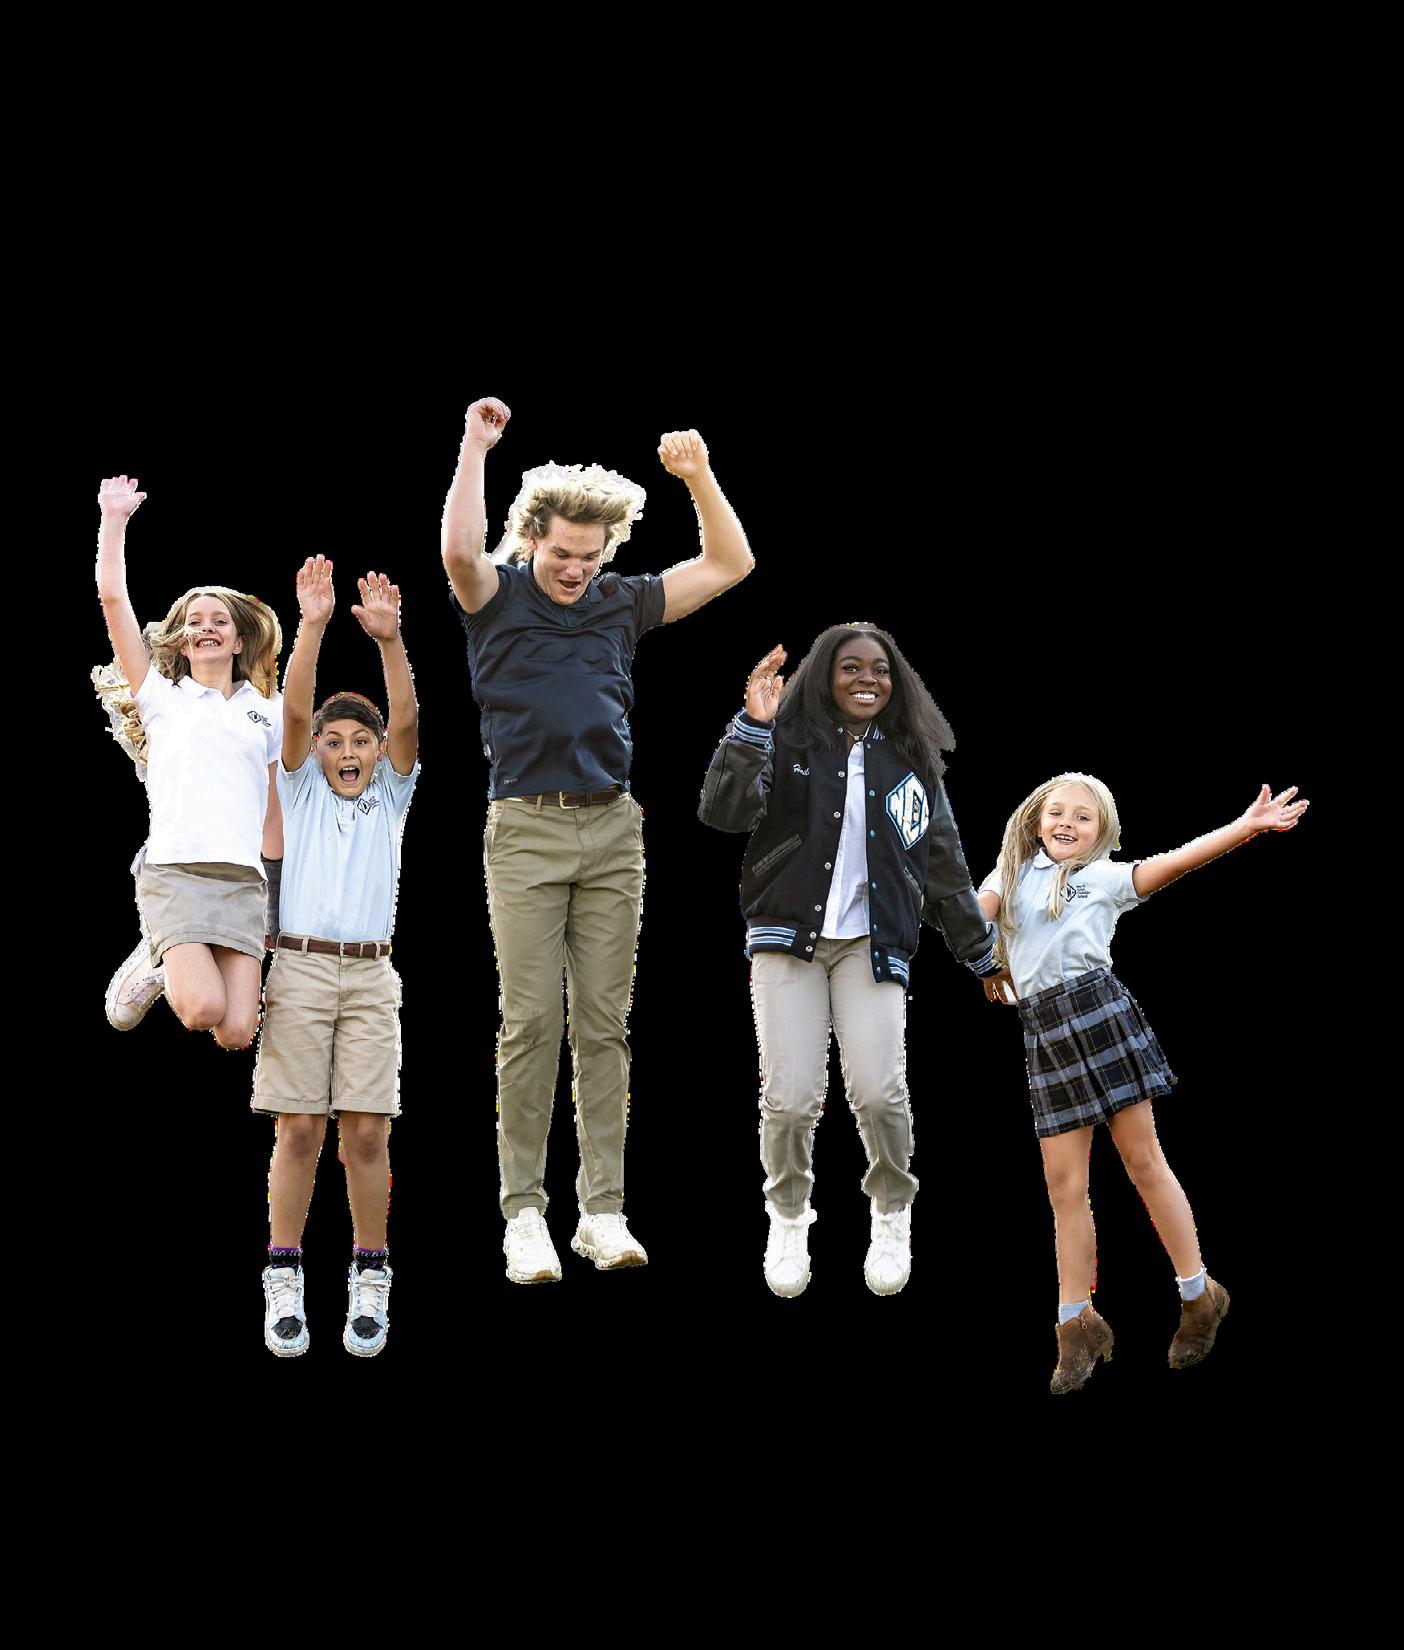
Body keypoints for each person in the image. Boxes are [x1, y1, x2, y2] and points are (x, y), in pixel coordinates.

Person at [441, 396, 754, 1285]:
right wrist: (475, 446)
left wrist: (697, 477)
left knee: (605, 1026)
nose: (575, 569)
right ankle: (524, 1215)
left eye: (589, 555)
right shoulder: (496, 595)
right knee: (532, 1022)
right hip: (525, 829)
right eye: (562, 554)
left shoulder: (621, 601)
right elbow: (458, 552)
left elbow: (730, 563)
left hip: (613, 826)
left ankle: (603, 1213)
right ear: (532, 540)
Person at [697, 629, 1010, 1298]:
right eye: (851, 668)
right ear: (825, 677)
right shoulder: (787, 740)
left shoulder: (912, 761)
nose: (867, 679)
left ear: (895, 683)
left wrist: (981, 953)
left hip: (874, 943)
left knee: (878, 1092)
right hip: (789, 940)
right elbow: (721, 813)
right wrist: (751, 727)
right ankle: (788, 1216)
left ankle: (892, 1212)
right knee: (789, 1099)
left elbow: (943, 866)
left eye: (880, 670)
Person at [976, 773, 1309, 1394]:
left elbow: (1175, 861)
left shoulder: (1102, 879)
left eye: (1083, 817)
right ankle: (1075, 1322)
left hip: (1100, 1015)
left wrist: (1244, 828)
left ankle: (1199, 1294)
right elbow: (972, 918)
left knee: (1142, 1161)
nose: (1067, 823)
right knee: (1063, 1184)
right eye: (1056, 812)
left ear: (1101, 832)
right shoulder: (1009, 875)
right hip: (1043, 1030)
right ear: (1035, 821)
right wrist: (987, 956)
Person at [252, 557, 420, 1358]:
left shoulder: (390, 793)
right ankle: (283, 1272)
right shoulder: (303, 789)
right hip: (302, 968)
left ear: (376, 752)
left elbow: (408, 723)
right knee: (297, 1130)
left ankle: (370, 1272)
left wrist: (389, 641)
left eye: (361, 741)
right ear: (316, 751)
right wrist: (312, 625)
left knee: (366, 1133)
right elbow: (292, 713)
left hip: (372, 972)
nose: (347, 750)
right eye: (334, 741)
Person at [94, 475, 283, 1050]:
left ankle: (169, 961)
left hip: (243, 880)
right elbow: (113, 599)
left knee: (236, 1033)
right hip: (176, 872)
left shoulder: (268, 712)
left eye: (219, 621)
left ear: (237, 641)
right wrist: (113, 519)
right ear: (181, 642)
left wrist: (278, 886)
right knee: (202, 1010)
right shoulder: (161, 699)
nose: (206, 627)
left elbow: (271, 808)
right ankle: (158, 954)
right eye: (195, 621)